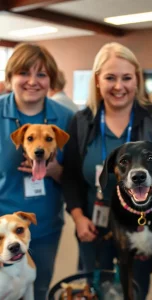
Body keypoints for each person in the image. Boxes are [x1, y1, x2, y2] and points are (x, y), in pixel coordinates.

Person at [62, 42, 152, 299]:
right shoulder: (81, 121)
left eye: (127, 78)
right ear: (98, 80)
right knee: (97, 289)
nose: (119, 86)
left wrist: (148, 187)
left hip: (146, 223)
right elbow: (71, 177)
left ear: (137, 80)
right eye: (110, 77)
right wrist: (78, 218)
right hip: (93, 224)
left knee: (137, 289)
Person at [0, 43, 74, 299]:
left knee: (39, 288)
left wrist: (54, 170)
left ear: (50, 80)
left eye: (41, 74)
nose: (32, 81)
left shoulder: (65, 118)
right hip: (0, 230)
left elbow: (76, 176)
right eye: (24, 73)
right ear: (10, 77)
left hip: (44, 227)